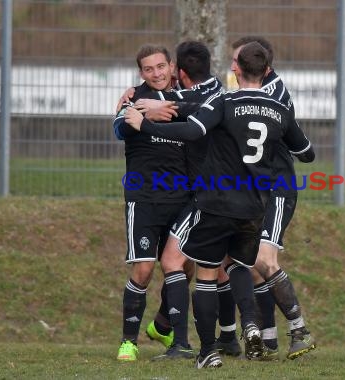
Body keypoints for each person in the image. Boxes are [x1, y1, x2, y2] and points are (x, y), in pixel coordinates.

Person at [125, 41, 315, 368]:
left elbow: (193, 128)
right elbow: (307, 153)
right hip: (256, 205)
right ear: (266, 70)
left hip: (218, 200)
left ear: (236, 70)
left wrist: (146, 123)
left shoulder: (226, 101)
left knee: (207, 275)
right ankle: (259, 328)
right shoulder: (279, 108)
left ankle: (208, 351)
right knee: (241, 265)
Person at [214, 35, 316, 361]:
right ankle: (269, 341)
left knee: (264, 262)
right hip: (257, 190)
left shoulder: (268, 96)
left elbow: (302, 149)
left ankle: (299, 330)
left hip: (277, 188)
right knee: (252, 264)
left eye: (236, 62)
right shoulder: (262, 90)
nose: (233, 67)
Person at [144, 40, 224, 361]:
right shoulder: (219, 92)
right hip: (228, 192)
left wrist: (140, 106)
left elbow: (179, 110)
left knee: (173, 262)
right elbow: (184, 99)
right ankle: (229, 337)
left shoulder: (181, 99)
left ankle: (185, 345)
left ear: (180, 73)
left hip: (203, 196)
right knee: (218, 269)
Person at [113, 44, 191, 362]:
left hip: (183, 199)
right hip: (144, 198)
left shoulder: (188, 97)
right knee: (144, 270)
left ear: (172, 67)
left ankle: (162, 326)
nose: (156, 73)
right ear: (141, 73)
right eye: (149, 69)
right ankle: (128, 342)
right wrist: (148, 112)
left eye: (161, 66)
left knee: (184, 266)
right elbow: (119, 128)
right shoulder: (133, 98)